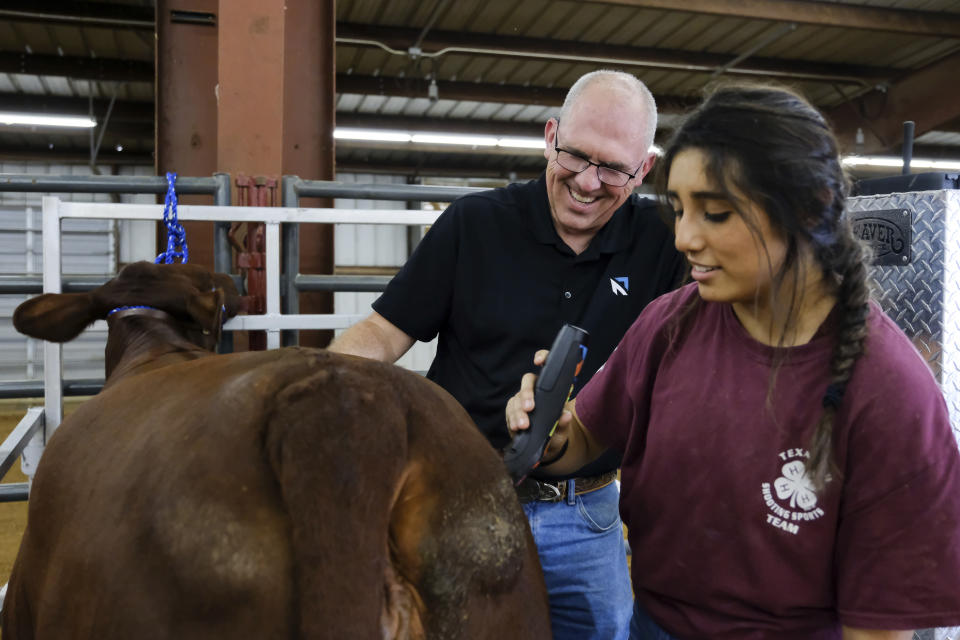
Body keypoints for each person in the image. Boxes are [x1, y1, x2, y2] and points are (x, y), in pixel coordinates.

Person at [507, 83, 960, 639]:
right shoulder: (669, 324)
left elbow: (879, 629)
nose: (684, 238)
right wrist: (551, 436)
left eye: (715, 213)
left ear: (808, 209)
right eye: (679, 210)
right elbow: (587, 436)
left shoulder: (889, 393)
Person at [329, 70, 686, 639]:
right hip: (464, 498)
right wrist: (324, 394)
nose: (589, 183)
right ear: (550, 137)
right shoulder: (475, 225)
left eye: (614, 168)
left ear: (643, 170)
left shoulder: (666, 242)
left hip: (589, 511)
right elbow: (381, 332)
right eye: (575, 156)